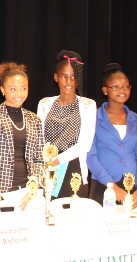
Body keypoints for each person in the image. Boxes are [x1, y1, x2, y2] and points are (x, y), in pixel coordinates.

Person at [0, 62, 45, 209]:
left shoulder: (34, 119)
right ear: (2, 89)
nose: (19, 94)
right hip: (0, 191)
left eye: (23, 88)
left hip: (28, 190)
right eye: (13, 89)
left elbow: (39, 158)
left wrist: (33, 186)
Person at [36, 50, 96, 198]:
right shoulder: (44, 103)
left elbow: (85, 144)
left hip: (72, 167)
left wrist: (56, 161)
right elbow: (38, 138)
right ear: (56, 77)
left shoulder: (88, 104)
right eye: (64, 76)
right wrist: (46, 162)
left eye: (73, 77)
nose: (69, 82)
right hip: (47, 166)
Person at [87, 63, 137, 207]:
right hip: (103, 186)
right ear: (105, 90)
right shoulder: (93, 117)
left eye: (126, 86)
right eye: (115, 86)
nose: (122, 90)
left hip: (130, 187)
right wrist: (113, 187)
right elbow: (91, 156)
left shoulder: (136, 119)